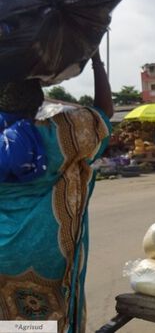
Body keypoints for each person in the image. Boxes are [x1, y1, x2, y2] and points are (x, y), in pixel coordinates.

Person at [0, 52, 113, 332]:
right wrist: (96, 62)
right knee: (46, 319)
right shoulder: (59, 134)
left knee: (6, 316)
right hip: (46, 255)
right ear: (38, 101)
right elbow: (103, 114)